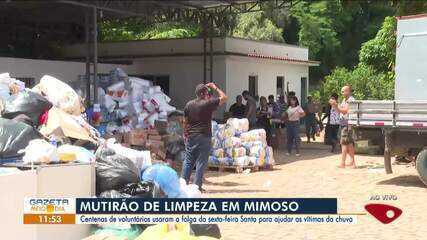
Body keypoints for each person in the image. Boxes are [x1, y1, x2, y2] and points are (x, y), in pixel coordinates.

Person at [182, 82, 227, 190]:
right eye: (207, 92)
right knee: (201, 162)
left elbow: (185, 121)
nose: (208, 94)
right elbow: (224, 98)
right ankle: (197, 186)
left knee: (188, 161)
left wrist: (185, 133)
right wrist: (215, 87)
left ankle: (183, 184)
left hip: (191, 136)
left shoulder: (189, 104)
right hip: (204, 136)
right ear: (203, 93)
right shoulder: (208, 103)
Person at [330, 85, 356, 168]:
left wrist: (336, 105)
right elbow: (340, 111)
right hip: (344, 123)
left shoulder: (350, 100)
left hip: (347, 124)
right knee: (349, 144)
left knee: (344, 143)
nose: (342, 93)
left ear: (348, 91)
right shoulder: (345, 100)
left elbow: (345, 111)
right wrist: (335, 105)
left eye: (343, 91)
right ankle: (352, 162)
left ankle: (343, 163)